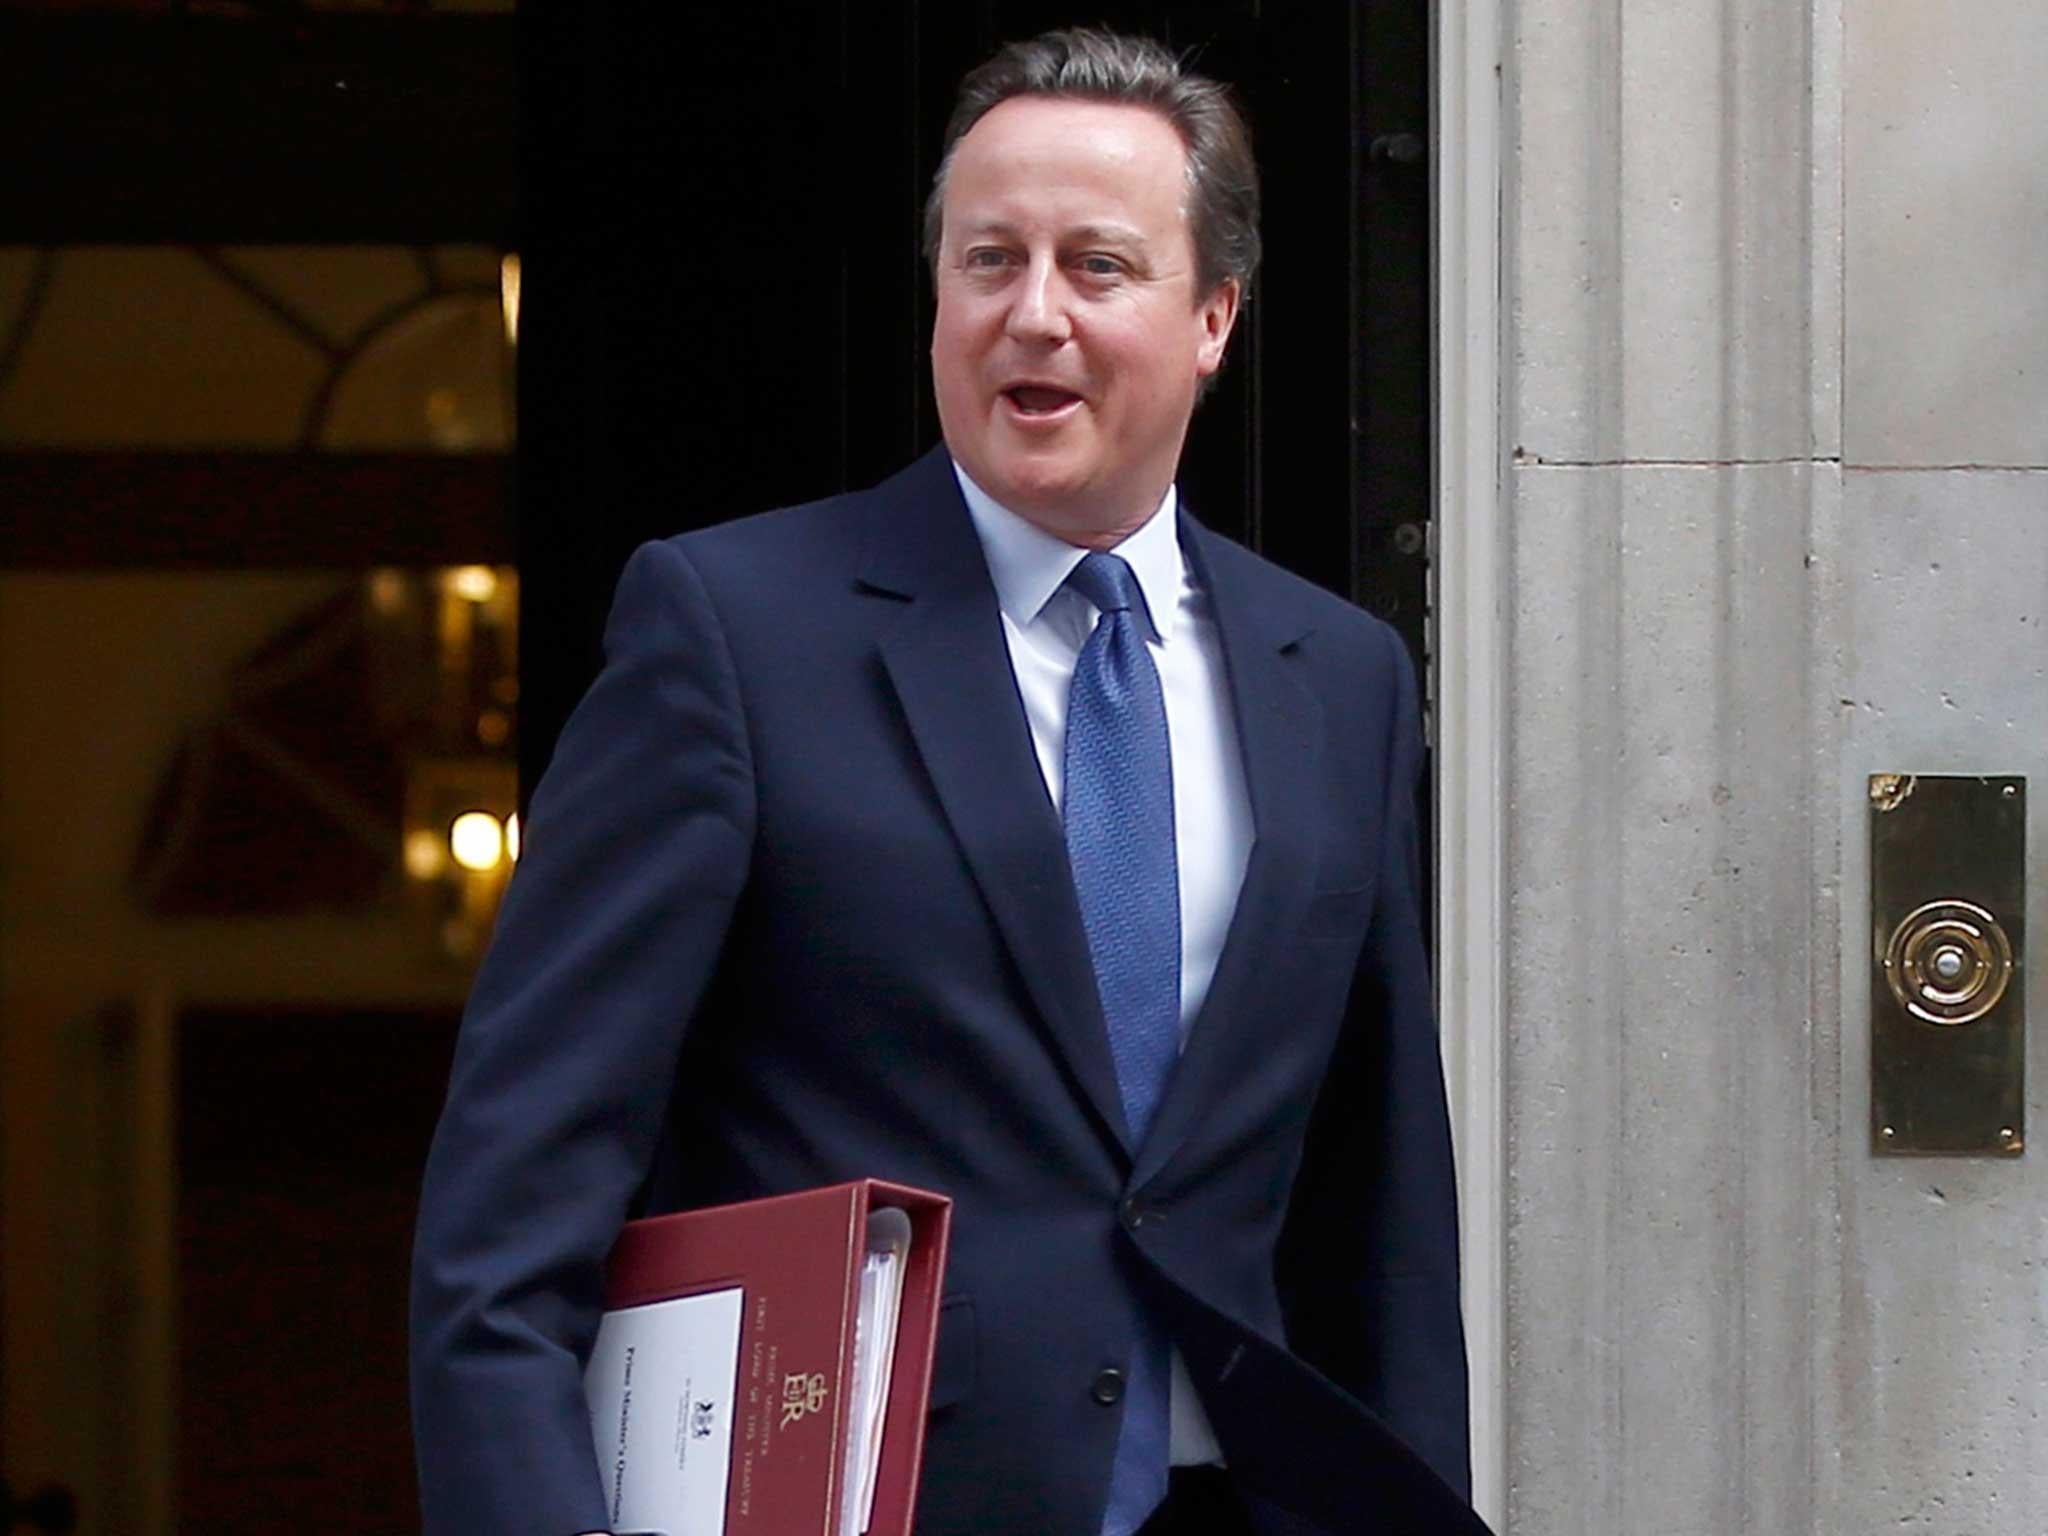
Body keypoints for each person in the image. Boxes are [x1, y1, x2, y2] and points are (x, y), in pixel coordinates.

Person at [411, 26, 1484, 1536]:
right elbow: (505, 1228)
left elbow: (1380, 1218)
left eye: (1097, 268)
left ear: (1214, 319)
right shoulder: (733, 633)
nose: (1031, 315)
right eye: (989, 261)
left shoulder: (1342, 678)